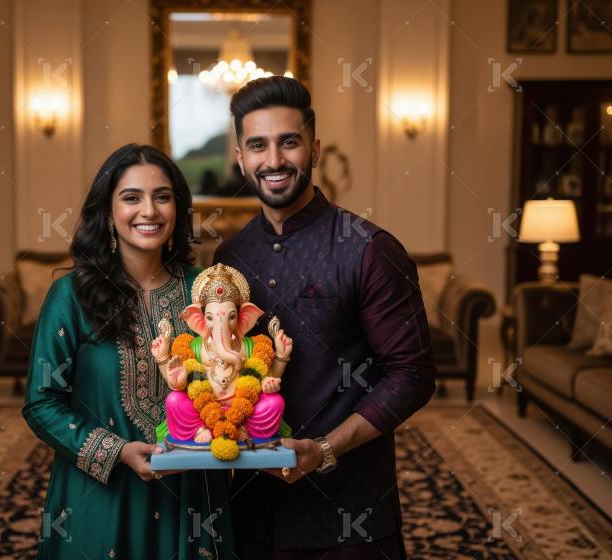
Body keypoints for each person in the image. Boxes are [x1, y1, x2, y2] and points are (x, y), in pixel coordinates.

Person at [213, 77, 437, 559]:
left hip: (349, 515)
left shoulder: (368, 249)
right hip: (250, 512)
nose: (273, 161)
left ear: (314, 149)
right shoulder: (229, 255)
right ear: (240, 157)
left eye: (288, 142)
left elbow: (413, 375)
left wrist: (327, 449)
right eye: (257, 145)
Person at [23, 144, 234, 559]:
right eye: (131, 197)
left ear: (178, 210)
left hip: (192, 488)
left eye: (163, 196)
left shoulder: (206, 290)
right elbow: (41, 402)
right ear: (107, 213)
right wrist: (116, 451)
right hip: (99, 491)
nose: (149, 211)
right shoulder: (70, 295)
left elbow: (232, 380)